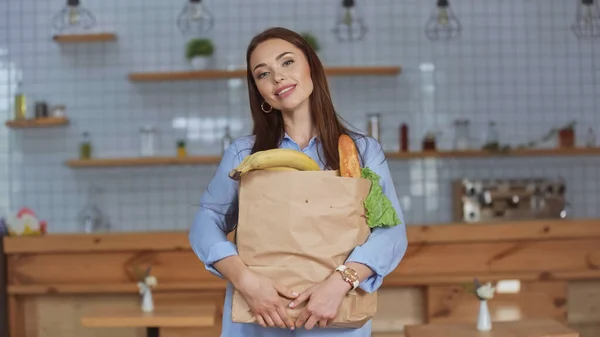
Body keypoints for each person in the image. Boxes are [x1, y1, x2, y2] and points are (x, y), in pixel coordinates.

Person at [189, 27, 408, 337]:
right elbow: (205, 223)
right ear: (260, 92)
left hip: (336, 315)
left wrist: (339, 283)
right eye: (263, 73)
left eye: (287, 62)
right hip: (259, 318)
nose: (277, 78)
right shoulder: (245, 153)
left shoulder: (361, 151)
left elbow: (391, 232)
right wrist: (247, 282)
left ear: (312, 69)